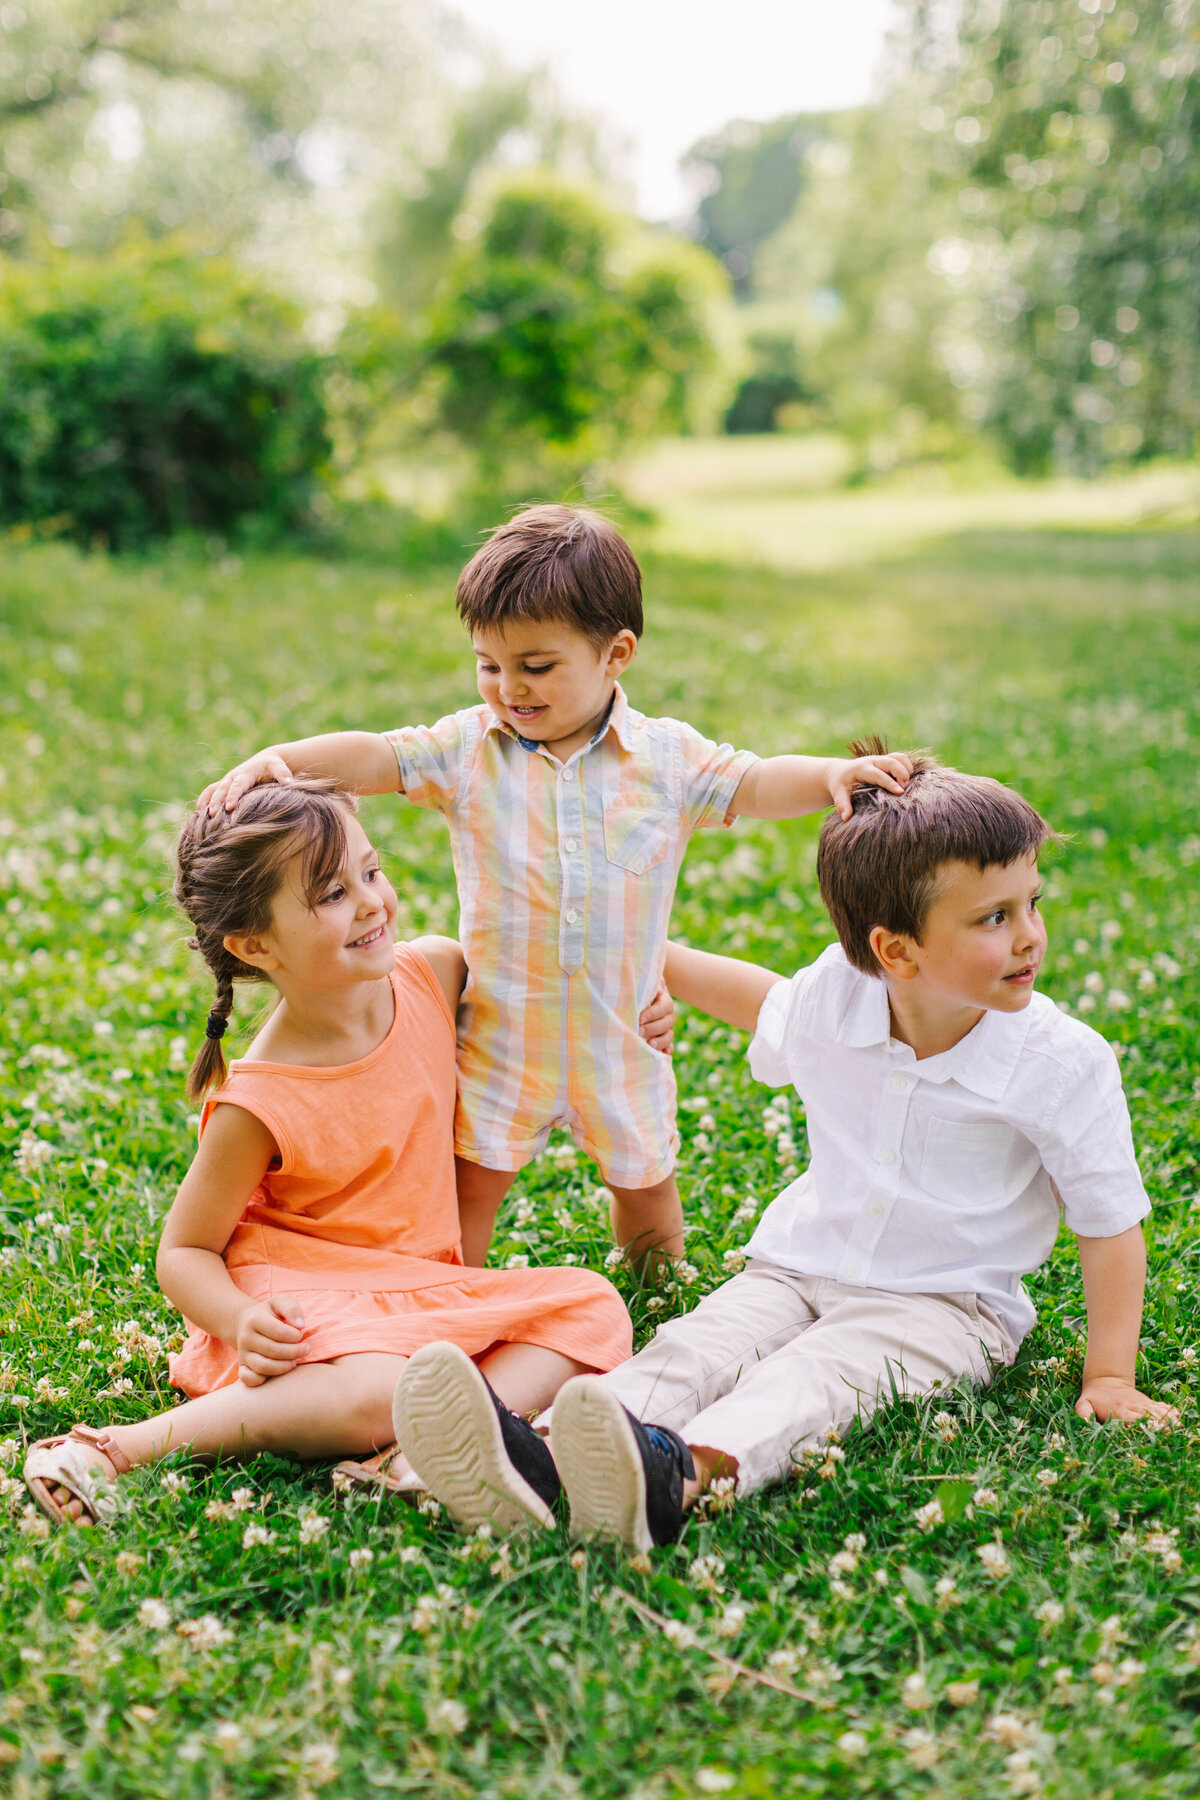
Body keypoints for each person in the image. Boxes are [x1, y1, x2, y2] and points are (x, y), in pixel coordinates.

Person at [387, 750, 1178, 1550]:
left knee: (815, 1382)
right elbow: (762, 999)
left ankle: (674, 1477)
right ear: (895, 953)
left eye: (1029, 903)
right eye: (994, 919)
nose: (1029, 938)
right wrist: (631, 960)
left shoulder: (1061, 1062)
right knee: (696, 1347)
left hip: (945, 1305)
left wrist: (1109, 1375)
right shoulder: (841, 994)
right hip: (798, 1265)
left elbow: (1109, 1221)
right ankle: (538, 1456)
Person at [198, 505, 912, 1269]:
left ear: (616, 654)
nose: (509, 688)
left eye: (536, 667)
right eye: (489, 665)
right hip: (507, 1035)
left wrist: (833, 775)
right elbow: (376, 757)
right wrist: (283, 757)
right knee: (473, 1185)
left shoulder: (667, 759)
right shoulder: (468, 749)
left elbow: (758, 780)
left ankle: (657, 1292)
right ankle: (455, 1293)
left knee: (644, 1185)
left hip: (622, 1037)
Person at [24, 782, 632, 1532]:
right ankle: (113, 1449)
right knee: (387, 1388)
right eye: (333, 894)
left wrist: (639, 1005)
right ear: (253, 946)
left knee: (593, 1310)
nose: (372, 902)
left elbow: (548, 997)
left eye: (371, 873)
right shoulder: (260, 1098)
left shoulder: (434, 972)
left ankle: (411, 1456)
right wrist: (242, 1320)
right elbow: (183, 1250)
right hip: (305, 1288)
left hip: (413, 1287)